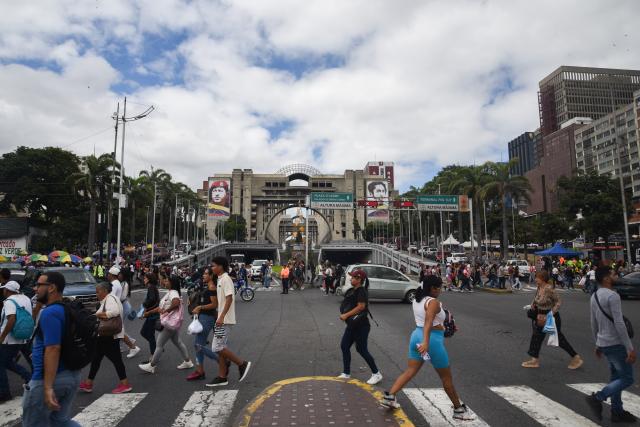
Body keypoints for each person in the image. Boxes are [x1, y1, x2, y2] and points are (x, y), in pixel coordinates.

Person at [380, 275, 471, 420]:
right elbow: (429, 321)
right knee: (446, 378)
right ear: (432, 288)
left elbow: (429, 320)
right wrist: (426, 342)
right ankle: (459, 409)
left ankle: (390, 396)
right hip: (430, 340)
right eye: (439, 287)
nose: (440, 290)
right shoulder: (433, 302)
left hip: (416, 335)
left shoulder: (418, 299)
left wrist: (444, 327)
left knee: (410, 370)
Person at [22, 272, 81, 427]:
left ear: (51, 288)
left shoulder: (50, 313)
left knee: (33, 424)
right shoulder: (66, 309)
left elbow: (53, 348)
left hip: (50, 379)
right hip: (71, 375)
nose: (35, 288)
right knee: (59, 422)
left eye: (39, 285)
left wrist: (47, 387)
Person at [585, 266, 636, 423]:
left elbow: (593, 323)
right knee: (627, 378)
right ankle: (599, 397)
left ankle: (617, 411)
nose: (617, 275)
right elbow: (619, 324)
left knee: (616, 377)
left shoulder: (594, 296)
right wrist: (629, 348)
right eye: (614, 274)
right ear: (607, 278)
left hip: (604, 343)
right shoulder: (613, 296)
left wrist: (598, 343)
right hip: (615, 343)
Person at [521, 270, 583, 369]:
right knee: (536, 338)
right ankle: (534, 360)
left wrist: (551, 313)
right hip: (540, 316)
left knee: (559, 339)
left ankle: (576, 358)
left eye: (537, 277)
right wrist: (533, 304)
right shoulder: (539, 287)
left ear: (542, 279)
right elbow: (536, 298)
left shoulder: (549, 289)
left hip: (550, 316)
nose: (535, 279)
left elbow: (558, 301)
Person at [79, 282, 132, 394]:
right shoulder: (107, 300)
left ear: (104, 291)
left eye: (98, 291)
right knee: (96, 359)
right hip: (106, 335)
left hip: (109, 335)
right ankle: (88, 383)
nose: (96, 294)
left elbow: (114, 312)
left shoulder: (110, 299)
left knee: (115, 359)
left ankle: (125, 384)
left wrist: (99, 315)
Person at [206, 256, 251, 387]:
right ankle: (222, 376)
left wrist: (221, 317)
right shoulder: (220, 279)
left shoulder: (225, 279)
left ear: (220, 266)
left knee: (217, 347)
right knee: (221, 347)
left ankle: (241, 363)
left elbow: (229, 298)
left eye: (213, 265)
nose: (212, 268)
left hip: (224, 320)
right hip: (222, 319)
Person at [139, 273, 193, 374]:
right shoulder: (171, 292)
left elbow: (176, 303)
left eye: (167, 281)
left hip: (169, 323)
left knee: (159, 345)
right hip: (172, 323)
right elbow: (160, 308)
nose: (165, 282)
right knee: (178, 342)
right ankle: (188, 361)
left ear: (172, 283)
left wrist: (167, 311)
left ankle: (152, 365)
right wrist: (149, 313)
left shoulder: (173, 293)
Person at [337, 269, 382, 385]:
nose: (350, 279)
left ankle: (376, 374)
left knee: (361, 349)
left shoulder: (361, 291)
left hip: (361, 326)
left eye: (352, 277)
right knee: (344, 346)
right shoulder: (354, 290)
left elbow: (361, 307)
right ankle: (346, 373)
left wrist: (346, 315)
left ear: (359, 279)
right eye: (351, 277)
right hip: (352, 325)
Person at [0, 280, 32, 401]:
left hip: (9, 339)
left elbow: (11, 319)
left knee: (1, 364)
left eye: (4, 289)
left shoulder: (9, 301)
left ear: (8, 291)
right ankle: (29, 376)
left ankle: (4, 393)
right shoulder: (26, 298)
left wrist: (3, 336)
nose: (3, 291)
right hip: (23, 337)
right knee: (7, 362)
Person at [187, 267, 219, 381]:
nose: (203, 276)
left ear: (211, 276)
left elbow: (214, 304)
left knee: (198, 345)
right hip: (202, 317)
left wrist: (200, 307)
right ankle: (200, 371)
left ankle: (220, 360)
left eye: (206, 274)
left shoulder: (211, 287)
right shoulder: (206, 286)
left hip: (207, 318)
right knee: (198, 345)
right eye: (204, 274)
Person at [117, 269, 140, 359]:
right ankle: (122, 345)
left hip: (124, 307)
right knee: (120, 327)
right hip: (124, 306)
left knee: (119, 328)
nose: (119, 275)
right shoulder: (122, 283)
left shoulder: (125, 284)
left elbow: (122, 297)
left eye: (120, 274)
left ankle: (131, 342)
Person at [140, 273, 160, 361]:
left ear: (149, 279)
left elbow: (152, 299)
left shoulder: (151, 287)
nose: (144, 280)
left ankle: (154, 355)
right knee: (144, 332)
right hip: (151, 314)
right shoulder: (152, 287)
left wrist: (145, 305)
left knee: (148, 334)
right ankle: (156, 349)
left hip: (152, 315)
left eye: (145, 278)